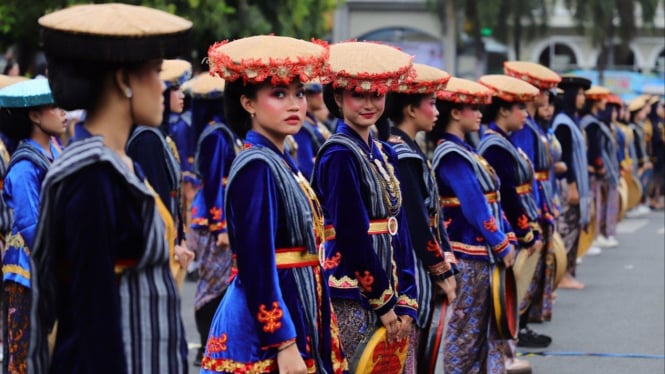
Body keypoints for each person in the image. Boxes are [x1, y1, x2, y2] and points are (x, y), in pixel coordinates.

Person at [28, 4, 192, 373]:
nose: (163, 86)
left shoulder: (120, 164)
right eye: (154, 71)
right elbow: (93, 315)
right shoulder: (91, 177)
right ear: (124, 81)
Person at [201, 35, 347, 373]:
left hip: (299, 302)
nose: (295, 104)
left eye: (299, 93)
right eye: (278, 94)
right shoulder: (257, 166)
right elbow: (256, 262)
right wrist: (283, 342)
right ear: (248, 103)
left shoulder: (280, 160)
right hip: (266, 323)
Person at [311, 41, 418, 367]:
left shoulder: (386, 153)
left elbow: (401, 227)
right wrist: (383, 302)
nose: (369, 103)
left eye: (377, 95)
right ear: (339, 98)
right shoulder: (339, 153)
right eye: (359, 94)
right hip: (354, 292)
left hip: (394, 287)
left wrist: (408, 298)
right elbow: (350, 234)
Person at [432, 77, 518, 373]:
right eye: (474, 108)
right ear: (455, 113)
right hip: (468, 254)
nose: (481, 113)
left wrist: (506, 235)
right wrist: (500, 241)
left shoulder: (466, 150)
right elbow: (473, 205)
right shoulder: (451, 154)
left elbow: (490, 200)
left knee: (485, 328)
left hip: (482, 252)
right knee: (466, 332)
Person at [383, 63, 458, 371]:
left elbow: (432, 214)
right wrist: (440, 270)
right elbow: (415, 221)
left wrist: (446, 253)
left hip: (420, 259)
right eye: (431, 103)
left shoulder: (410, 147)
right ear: (411, 110)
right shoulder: (402, 154)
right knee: (411, 352)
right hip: (410, 263)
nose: (437, 111)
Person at [0, 78, 65, 373]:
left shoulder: (57, 150)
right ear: (35, 116)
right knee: (26, 355)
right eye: (54, 107)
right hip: (28, 274)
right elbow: (30, 227)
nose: (63, 112)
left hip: (51, 267)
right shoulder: (25, 166)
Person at [126, 58, 195, 288]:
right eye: (174, 89)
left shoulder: (160, 134)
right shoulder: (147, 138)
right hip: (157, 242)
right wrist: (171, 240)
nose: (181, 94)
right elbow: (157, 197)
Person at [183, 72, 237, 367]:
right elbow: (215, 182)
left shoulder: (219, 131)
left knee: (217, 283)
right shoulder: (217, 135)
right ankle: (206, 344)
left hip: (214, 215)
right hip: (212, 221)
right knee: (211, 286)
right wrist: (221, 227)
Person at [504, 61, 561, 326]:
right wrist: (535, 211)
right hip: (531, 202)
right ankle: (521, 323)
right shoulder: (523, 129)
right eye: (543, 90)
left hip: (540, 198)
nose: (548, 96)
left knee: (538, 266)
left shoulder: (534, 125)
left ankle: (526, 320)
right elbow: (523, 175)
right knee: (527, 268)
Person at [552, 75, 592, 290]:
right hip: (568, 186)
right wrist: (572, 186)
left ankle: (569, 272)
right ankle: (564, 274)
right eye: (579, 94)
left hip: (576, 184)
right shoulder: (563, 124)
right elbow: (564, 158)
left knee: (575, 228)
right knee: (567, 229)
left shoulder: (572, 120)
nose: (582, 98)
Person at [292, 81, 331, 180]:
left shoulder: (314, 122)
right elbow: (307, 166)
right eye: (318, 93)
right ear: (308, 96)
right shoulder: (302, 127)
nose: (322, 97)